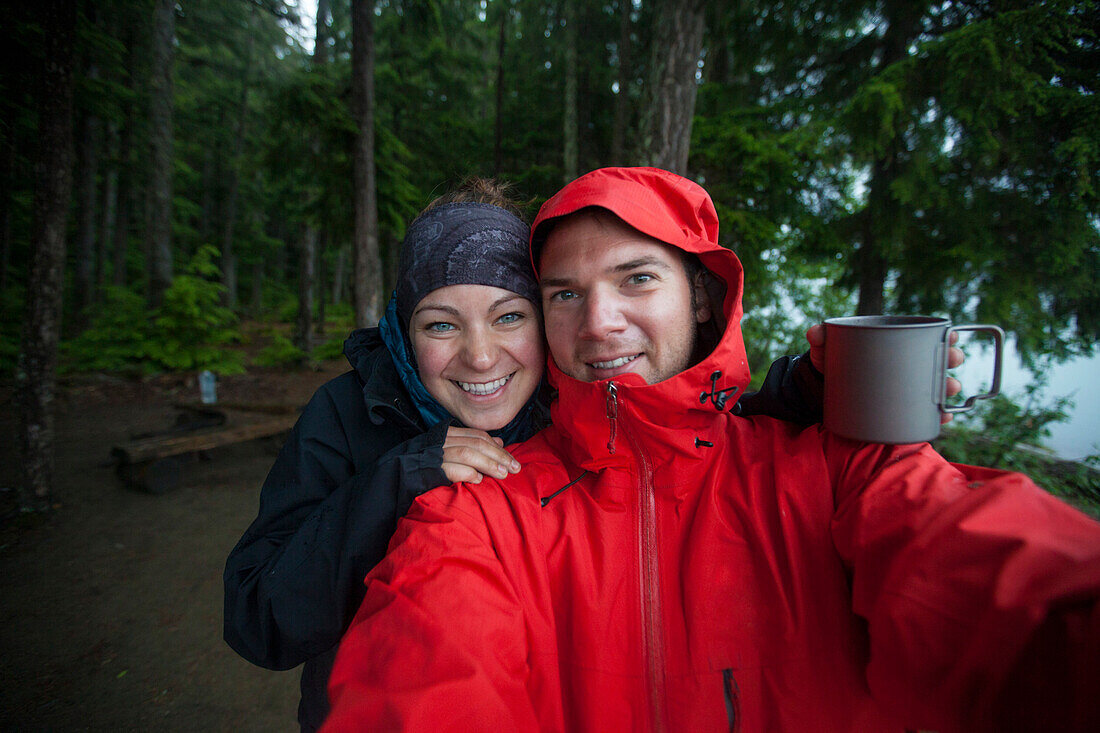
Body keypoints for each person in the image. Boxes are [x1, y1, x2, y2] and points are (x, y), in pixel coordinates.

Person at [322, 167, 1100, 732]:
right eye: (564, 292)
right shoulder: (483, 507)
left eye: (636, 278)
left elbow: (1015, 590)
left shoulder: (838, 469)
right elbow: (423, 683)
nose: (599, 322)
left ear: (699, 294)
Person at [223, 179, 830, 731]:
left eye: (509, 316)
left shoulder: (563, 397)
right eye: (441, 325)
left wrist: (795, 396)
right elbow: (258, 621)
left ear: (543, 323)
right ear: (403, 331)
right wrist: (395, 479)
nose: (481, 357)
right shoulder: (349, 415)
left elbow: (673, 428)